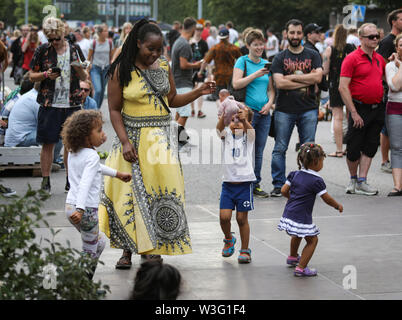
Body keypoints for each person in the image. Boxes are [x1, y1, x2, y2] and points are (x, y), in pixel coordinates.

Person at [99, 19, 215, 269]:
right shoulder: (121, 69)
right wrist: (125, 141)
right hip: (132, 141)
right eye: (150, 49)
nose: (155, 54)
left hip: (161, 142)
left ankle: (151, 248)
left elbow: (172, 99)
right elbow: (114, 110)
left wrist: (199, 91)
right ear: (138, 43)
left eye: (159, 49)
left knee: (157, 195)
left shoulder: (163, 65)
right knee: (128, 197)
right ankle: (127, 251)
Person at [62, 109, 131, 281]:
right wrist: (81, 209)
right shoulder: (92, 155)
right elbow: (85, 183)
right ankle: (81, 283)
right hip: (85, 210)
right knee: (90, 250)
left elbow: (94, 169)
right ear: (86, 137)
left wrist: (117, 174)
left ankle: (79, 280)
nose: (103, 135)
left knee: (98, 242)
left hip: (70, 207)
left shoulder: (73, 152)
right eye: (99, 131)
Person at [29, 17, 88, 194]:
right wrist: (45, 75)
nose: (54, 42)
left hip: (72, 102)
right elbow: (31, 75)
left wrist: (78, 68)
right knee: (48, 143)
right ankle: (45, 181)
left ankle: (70, 180)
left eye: (57, 38)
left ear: (64, 32)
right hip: (50, 102)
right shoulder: (43, 50)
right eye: (51, 39)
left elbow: (85, 77)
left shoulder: (75, 49)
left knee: (71, 144)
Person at [270, 19, 323, 197]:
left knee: (309, 149)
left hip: (308, 108)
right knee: (280, 148)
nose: (295, 36)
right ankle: (278, 185)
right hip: (284, 109)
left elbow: (318, 79)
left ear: (303, 34)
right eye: (292, 33)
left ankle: (307, 184)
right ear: (286, 34)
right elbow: (279, 83)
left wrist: (291, 78)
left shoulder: (313, 54)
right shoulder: (280, 57)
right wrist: (307, 78)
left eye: (298, 33)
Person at [278, 143, 343, 277]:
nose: (322, 164)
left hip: (289, 212)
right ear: (315, 161)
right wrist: (337, 205)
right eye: (322, 161)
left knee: (297, 234)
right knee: (312, 240)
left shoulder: (294, 174)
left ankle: (292, 257)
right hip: (302, 216)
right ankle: (301, 268)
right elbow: (326, 198)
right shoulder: (316, 180)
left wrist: (292, 199)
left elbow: (284, 190)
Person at [339, 23, 386, 196]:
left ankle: (362, 181)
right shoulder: (352, 58)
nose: (375, 39)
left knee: (371, 145)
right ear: (361, 38)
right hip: (358, 108)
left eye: (377, 36)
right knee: (353, 147)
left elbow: (386, 80)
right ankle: (352, 179)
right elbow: (343, 87)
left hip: (377, 108)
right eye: (371, 37)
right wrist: (353, 112)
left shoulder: (379, 58)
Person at [232, 29, 275, 198]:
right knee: (243, 148)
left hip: (264, 113)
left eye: (261, 44)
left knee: (258, 150)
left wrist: (270, 103)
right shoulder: (242, 62)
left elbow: (271, 90)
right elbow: (236, 84)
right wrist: (256, 74)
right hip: (247, 113)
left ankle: (255, 184)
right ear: (248, 45)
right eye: (255, 44)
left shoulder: (267, 64)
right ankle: (240, 182)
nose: (259, 47)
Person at [216, 106, 255, 264]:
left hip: (245, 185)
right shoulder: (227, 137)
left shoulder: (248, 137)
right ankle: (228, 238)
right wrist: (223, 117)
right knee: (224, 217)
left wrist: (244, 120)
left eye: (240, 120)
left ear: (248, 122)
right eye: (233, 121)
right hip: (228, 184)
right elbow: (219, 129)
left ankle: (245, 250)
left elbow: (250, 130)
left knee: (241, 218)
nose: (236, 123)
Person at [322, 24, 356, 158]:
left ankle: (339, 149)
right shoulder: (351, 48)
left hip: (335, 85)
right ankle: (350, 147)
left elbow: (325, 70)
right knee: (350, 115)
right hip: (350, 85)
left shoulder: (330, 50)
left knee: (337, 117)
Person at [171, 17, 204, 146]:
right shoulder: (184, 44)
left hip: (177, 80)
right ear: (193, 29)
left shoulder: (178, 41)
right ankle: (176, 140)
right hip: (182, 81)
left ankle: (179, 137)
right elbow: (183, 65)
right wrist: (196, 65)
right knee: (185, 112)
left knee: (180, 111)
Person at [377, 9, 402, 174]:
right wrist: (391, 81)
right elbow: (383, 65)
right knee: (387, 129)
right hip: (390, 91)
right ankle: (385, 160)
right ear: (393, 21)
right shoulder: (387, 42)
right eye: (401, 19)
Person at [199, 28, 242, 101]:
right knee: (230, 98)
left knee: (219, 98)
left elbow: (205, 61)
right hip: (230, 76)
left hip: (219, 76)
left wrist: (200, 71)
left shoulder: (215, 48)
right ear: (228, 37)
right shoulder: (234, 48)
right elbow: (241, 60)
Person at [385, 34, 402, 196]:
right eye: (401, 45)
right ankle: (398, 186)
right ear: (396, 48)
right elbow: (395, 86)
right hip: (395, 109)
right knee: (397, 147)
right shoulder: (390, 66)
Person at [87, 24, 114, 109]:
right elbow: (89, 58)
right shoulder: (94, 43)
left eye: (107, 30)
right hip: (95, 69)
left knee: (102, 91)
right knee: (98, 90)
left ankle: (97, 109)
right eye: (105, 31)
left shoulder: (110, 42)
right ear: (100, 33)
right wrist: (87, 70)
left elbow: (112, 57)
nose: (107, 32)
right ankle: (93, 110)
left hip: (106, 69)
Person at [4, 82, 40, 147]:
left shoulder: (25, 96)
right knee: (52, 134)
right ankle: (53, 157)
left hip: (13, 137)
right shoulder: (34, 99)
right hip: (17, 140)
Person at [190, 23, 209, 118]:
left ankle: (200, 110)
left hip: (201, 69)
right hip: (191, 69)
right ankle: (192, 110)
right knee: (192, 89)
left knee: (200, 89)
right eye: (197, 29)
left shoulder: (204, 43)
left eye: (200, 30)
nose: (198, 31)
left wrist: (202, 70)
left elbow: (206, 58)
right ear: (194, 30)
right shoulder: (189, 42)